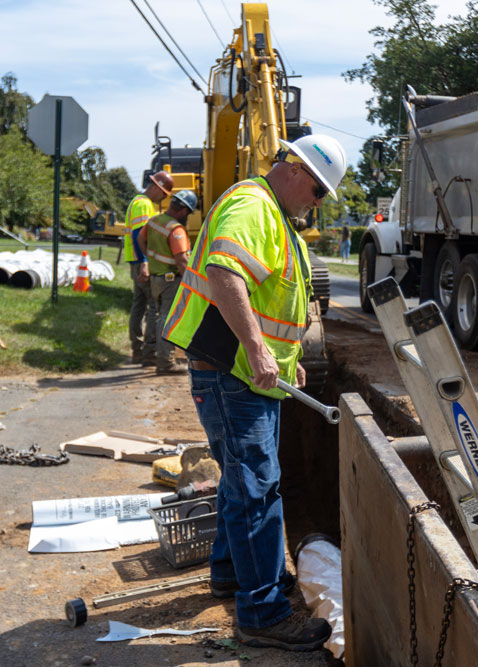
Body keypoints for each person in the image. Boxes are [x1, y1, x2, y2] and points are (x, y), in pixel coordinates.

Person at [161, 134, 346, 651]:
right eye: (317, 189)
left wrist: (284, 360)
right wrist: (260, 352)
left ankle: (229, 571)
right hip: (231, 372)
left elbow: (276, 304)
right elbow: (224, 275)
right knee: (257, 489)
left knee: (241, 481)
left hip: (248, 374)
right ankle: (262, 612)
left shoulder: (281, 221)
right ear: (293, 168)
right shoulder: (253, 204)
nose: (318, 201)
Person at [136, 189, 197, 375]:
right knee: (167, 319)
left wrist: (151, 259)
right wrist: (192, 285)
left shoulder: (154, 221)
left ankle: (149, 355)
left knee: (155, 315)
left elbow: (140, 239)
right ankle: (165, 363)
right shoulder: (176, 230)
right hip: (171, 280)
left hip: (156, 278)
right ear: (183, 211)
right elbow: (182, 261)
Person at [124, 171, 174, 366]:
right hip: (140, 262)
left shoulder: (136, 201)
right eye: (163, 194)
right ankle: (149, 353)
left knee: (139, 305)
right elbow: (140, 235)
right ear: (155, 187)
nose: (163, 199)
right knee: (154, 306)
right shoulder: (144, 204)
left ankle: (137, 350)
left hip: (135, 261)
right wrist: (145, 262)